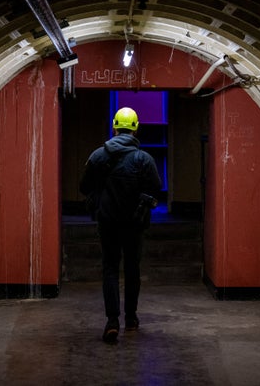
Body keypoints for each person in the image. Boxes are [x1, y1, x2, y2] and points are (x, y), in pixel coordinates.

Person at [79, 106, 162, 343]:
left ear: (114, 127)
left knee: (110, 269)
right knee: (132, 270)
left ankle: (112, 321)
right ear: (136, 129)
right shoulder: (144, 159)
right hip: (135, 224)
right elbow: (156, 190)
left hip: (107, 223)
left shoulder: (97, 156)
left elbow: (84, 188)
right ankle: (131, 318)